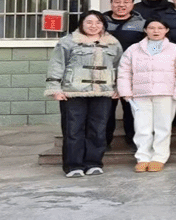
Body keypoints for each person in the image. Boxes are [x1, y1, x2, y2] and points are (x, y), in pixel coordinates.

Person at [45, 10, 123, 178]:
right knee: (73, 129)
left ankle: (94, 163)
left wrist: (119, 87)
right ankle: (73, 165)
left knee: (98, 129)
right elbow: (57, 64)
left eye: (98, 23)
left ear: (103, 25)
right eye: (89, 22)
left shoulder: (113, 43)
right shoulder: (68, 41)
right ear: (81, 23)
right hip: (73, 92)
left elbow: (118, 66)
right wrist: (55, 88)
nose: (93, 26)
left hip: (103, 92)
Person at [117, 19, 176, 173]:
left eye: (160, 28)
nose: (156, 31)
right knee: (142, 127)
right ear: (145, 30)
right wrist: (125, 92)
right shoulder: (133, 49)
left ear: (166, 30)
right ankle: (143, 157)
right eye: (151, 28)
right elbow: (124, 72)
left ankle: (159, 158)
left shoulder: (175, 49)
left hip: (165, 93)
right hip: (140, 94)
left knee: (163, 127)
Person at [103, 0, 145, 150]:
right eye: (117, 2)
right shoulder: (100, 22)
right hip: (105, 71)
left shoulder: (142, 24)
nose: (121, 5)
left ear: (132, 4)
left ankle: (133, 140)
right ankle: (103, 142)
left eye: (126, 2)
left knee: (132, 108)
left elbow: (151, 45)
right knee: (105, 110)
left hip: (132, 72)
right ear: (111, 3)